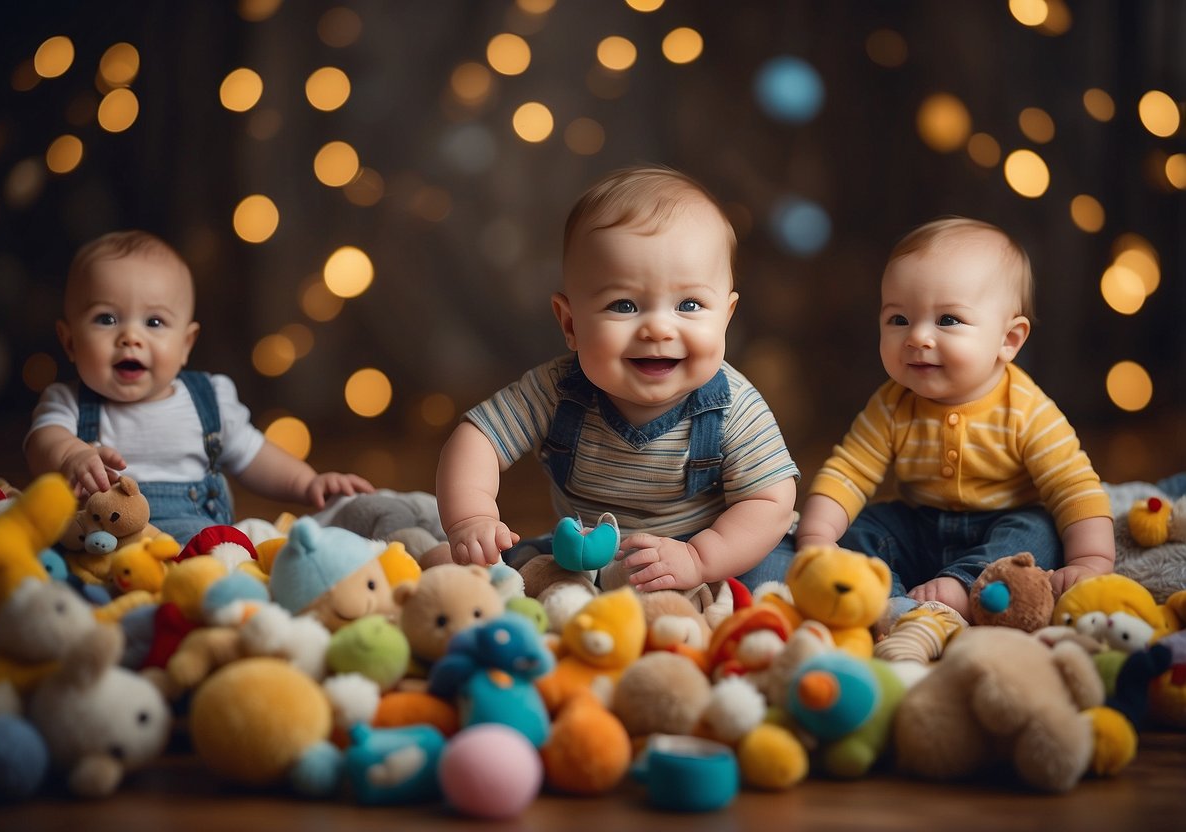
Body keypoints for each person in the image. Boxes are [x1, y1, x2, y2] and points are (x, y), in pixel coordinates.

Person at [433, 166, 799, 594]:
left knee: (774, 579)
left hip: (715, 547)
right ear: (570, 323)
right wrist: (472, 517)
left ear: (726, 318)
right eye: (624, 306)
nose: (659, 329)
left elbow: (769, 502)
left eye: (690, 304)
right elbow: (478, 438)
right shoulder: (556, 390)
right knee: (517, 571)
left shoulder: (732, 406)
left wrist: (700, 558)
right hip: (592, 552)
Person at [794, 216, 1114, 620]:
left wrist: (1091, 560)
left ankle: (962, 587)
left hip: (1000, 525)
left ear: (1008, 340)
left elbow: (1073, 486)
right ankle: (885, 599)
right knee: (866, 526)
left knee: (1038, 532)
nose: (917, 337)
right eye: (899, 319)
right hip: (921, 527)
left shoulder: (1027, 409)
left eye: (947, 320)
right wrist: (817, 537)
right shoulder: (893, 404)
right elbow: (849, 470)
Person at [25, 230, 375, 545]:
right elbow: (44, 441)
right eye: (107, 319)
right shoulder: (68, 402)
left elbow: (254, 454)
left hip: (192, 538)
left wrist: (307, 483)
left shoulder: (208, 399)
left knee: (224, 548)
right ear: (69, 341)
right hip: (101, 541)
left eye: (155, 322)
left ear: (186, 344)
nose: (130, 337)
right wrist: (72, 455)